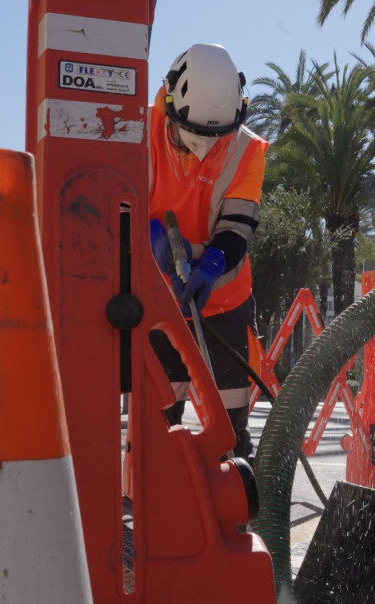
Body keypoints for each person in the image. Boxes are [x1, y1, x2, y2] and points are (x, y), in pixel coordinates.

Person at [147, 43, 266, 460]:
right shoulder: (140, 129)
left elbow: (237, 227)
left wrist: (213, 265)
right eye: (193, 136)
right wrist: (151, 236)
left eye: (214, 137)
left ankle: (234, 471)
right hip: (159, 297)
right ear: (169, 104)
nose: (203, 147)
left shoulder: (247, 151)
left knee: (232, 405)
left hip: (224, 297)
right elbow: (120, 197)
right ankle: (152, 479)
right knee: (159, 407)